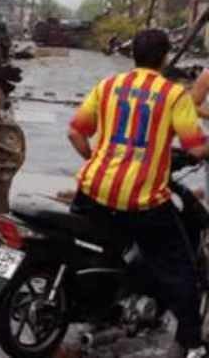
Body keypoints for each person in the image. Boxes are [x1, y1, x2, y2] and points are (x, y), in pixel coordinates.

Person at [68, 29, 209, 358]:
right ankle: (191, 343)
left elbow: (75, 132)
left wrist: (97, 163)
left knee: (102, 250)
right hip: (142, 202)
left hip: (92, 192)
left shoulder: (108, 86)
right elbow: (196, 147)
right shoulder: (173, 95)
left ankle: (103, 312)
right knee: (181, 267)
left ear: (133, 54)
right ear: (163, 57)